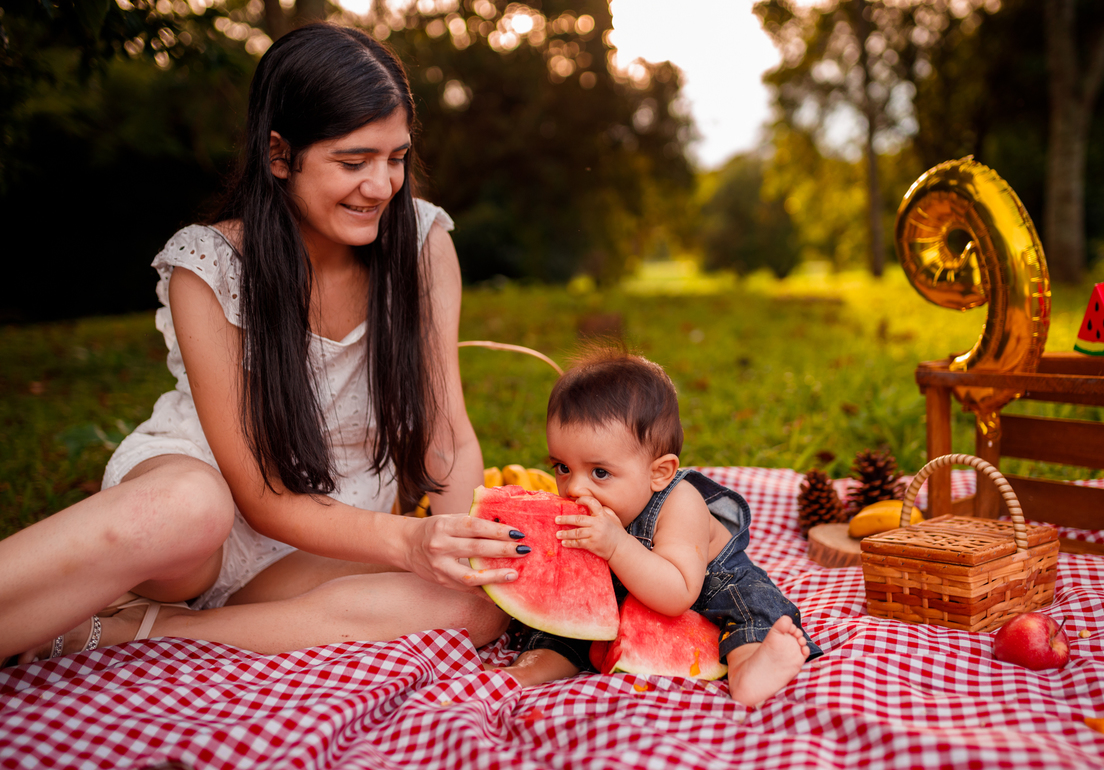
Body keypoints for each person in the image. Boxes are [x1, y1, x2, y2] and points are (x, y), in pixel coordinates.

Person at [0, 23, 531, 665]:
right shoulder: (210, 264)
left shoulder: (423, 244)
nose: (381, 186)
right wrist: (408, 542)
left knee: (474, 609)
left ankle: (149, 632)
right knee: (191, 508)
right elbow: (260, 495)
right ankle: (149, 599)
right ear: (280, 155)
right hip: (206, 516)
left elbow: (446, 437)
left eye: (395, 158)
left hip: (332, 539)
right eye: (353, 162)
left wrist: (465, 546)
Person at [498, 348, 822, 708]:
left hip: (706, 587)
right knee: (567, 619)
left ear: (659, 473)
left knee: (750, 609)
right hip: (630, 592)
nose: (574, 488)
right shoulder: (592, 503)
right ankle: (530, 668)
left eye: (600, 472)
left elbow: (679, 593)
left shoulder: (681, 503)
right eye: (562, 467)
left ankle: (752, 668)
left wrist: (616, 546)